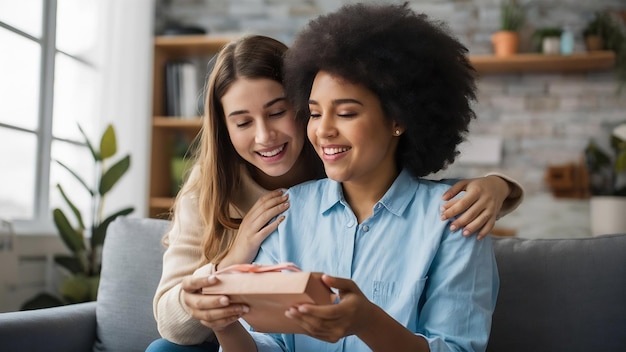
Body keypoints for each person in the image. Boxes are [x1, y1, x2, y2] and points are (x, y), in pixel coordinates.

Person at [148, 30, 522, 350]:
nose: (323, 130)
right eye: (315, 112)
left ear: (399, 118)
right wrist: (223, 315)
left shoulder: (451, 217)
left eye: (344, 113)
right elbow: (256, 342)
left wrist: (498, 186)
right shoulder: (280, 210)